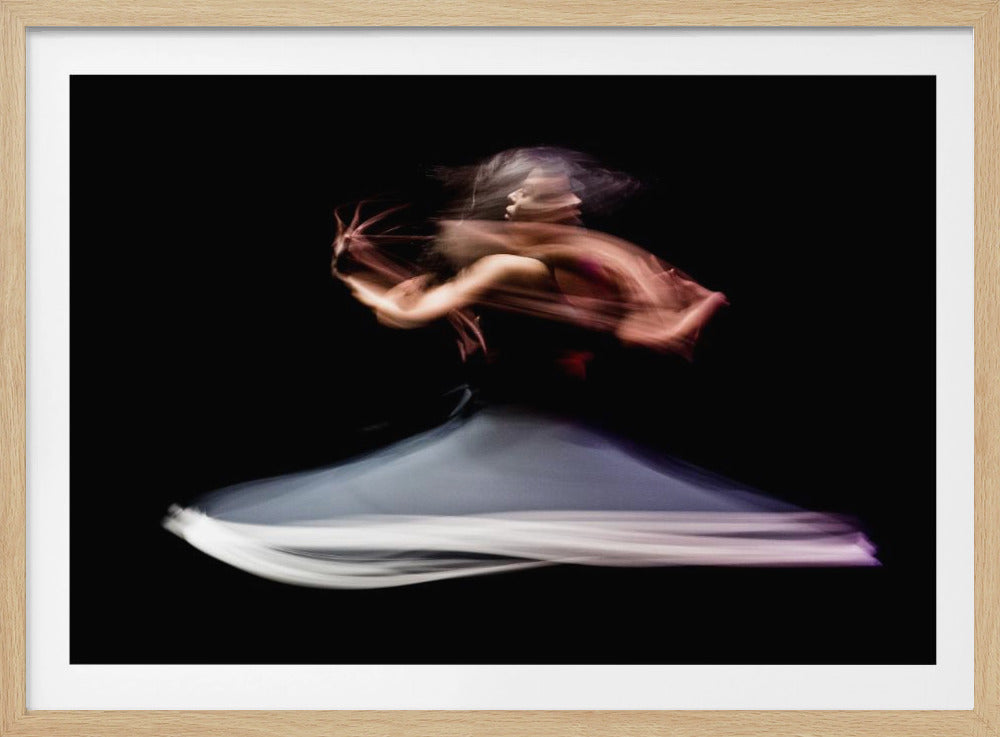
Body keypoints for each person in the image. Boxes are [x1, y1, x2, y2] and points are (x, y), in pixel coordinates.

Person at [164, 148, 877, 588]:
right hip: (515, 422)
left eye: (568, 196)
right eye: (549, 196)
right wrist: (363, 275)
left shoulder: (583, 269)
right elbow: (413, 312)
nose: (566, 204)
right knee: (531, 528)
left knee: (578, 531)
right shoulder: (514, 262)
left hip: (563, 427)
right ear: (518, 205)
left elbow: (649, 337)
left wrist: (697, 307)